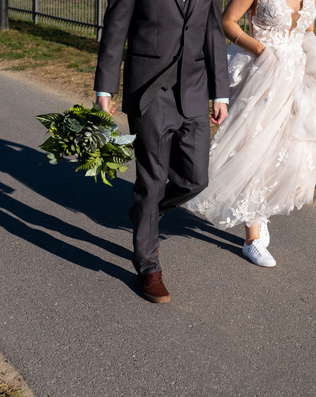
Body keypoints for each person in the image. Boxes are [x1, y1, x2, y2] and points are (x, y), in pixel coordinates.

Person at [186, 0, 316, 267]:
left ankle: (259, 213)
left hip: (296, 76)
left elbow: (306, 32)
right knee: (254, 149)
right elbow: (226, 21)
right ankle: (252, 238)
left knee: (287, 151)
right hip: (262, 75)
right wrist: (261, 50)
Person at [94, 0, 230, 303]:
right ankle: (147, 266)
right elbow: (116, 29)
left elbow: (213, 34)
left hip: (194, 91)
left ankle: (146, 213)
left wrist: (220, 92)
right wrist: (105, 89)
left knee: (196, 179)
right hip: (149, 92)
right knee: (152, 180)